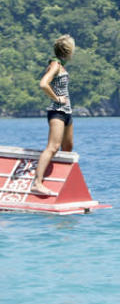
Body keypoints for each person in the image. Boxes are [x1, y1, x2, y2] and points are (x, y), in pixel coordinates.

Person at [32, 35, 76, 196]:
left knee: (68, 147)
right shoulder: (55, 65)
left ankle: (64, 183)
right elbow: (43, 84)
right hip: (57, 111)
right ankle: (37, 183)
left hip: (67, 112)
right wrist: (57, 98)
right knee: (53, 147)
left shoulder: (61, 66)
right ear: (68, 50)